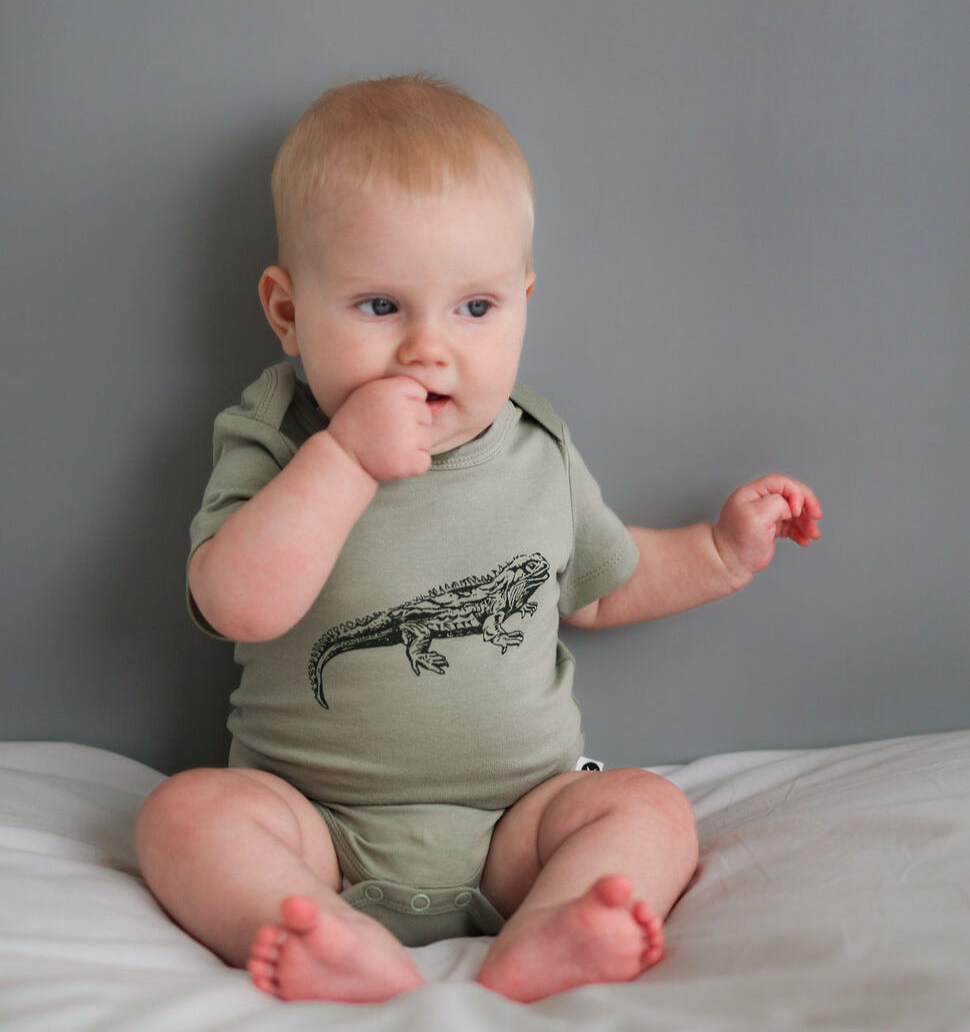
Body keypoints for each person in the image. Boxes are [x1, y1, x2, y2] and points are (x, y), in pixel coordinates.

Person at [134, 74, 822, 1005]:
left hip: (517, 826)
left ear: (523, 299)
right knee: (183, 815)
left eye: (475, 308)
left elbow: (599, 586)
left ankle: (552, 929)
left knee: (650, 808)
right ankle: (313, 930)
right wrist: (345, 459)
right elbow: (238, 605)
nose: (430, 348)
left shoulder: (536, 449)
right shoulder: (276, 437)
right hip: (312, 824)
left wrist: (719, 553)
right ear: (288, 311)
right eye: (380, 307)